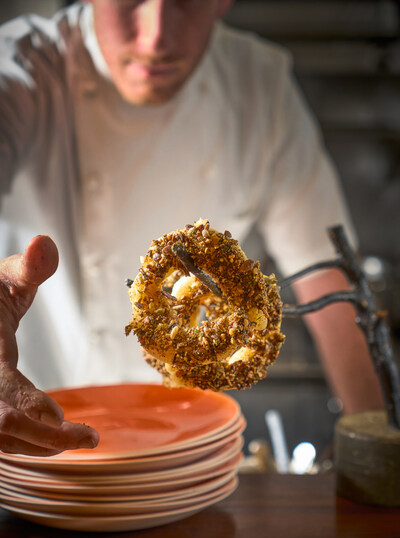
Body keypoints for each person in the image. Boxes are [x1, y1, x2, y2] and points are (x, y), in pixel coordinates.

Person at [0, 0, 384, 456]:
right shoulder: (23, 69)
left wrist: (375, 456)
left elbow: (332, 284)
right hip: (31, 439)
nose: (156, 36)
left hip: (185, 443)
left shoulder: (259, 87)